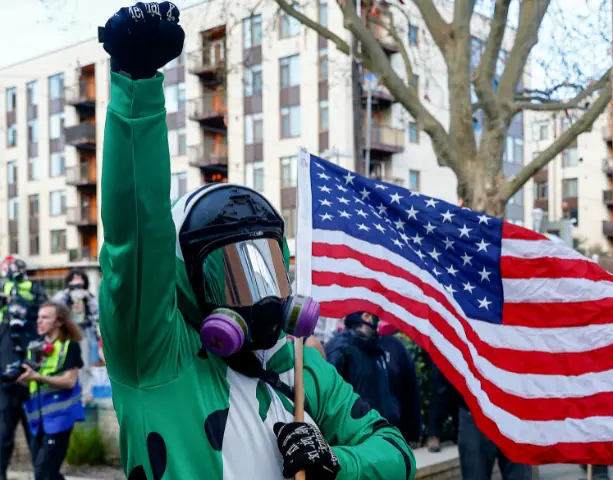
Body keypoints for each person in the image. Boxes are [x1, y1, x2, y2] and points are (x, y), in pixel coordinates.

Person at [98, 4, 415, 479]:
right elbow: (136, 239)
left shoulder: (303, 368)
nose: (261, 294)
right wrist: (136, 87)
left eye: (265, 266)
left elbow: (396, 452)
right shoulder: (155, 353)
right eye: (232, 273)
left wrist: (337, 464)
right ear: (186, 279)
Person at [17, 302, 85, 480]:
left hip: (59, 418)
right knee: (50, 473)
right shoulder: (34, 347)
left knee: (42, 472)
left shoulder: (69, 346)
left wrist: (37, 377)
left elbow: (70, 381)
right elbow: (31, 382)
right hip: (36, 420)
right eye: (38, 317)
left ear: (59, 322)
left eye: (45, 317)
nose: (39, 321)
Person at [0, 258, 45, 480]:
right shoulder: (4, 323)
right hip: (6, 385)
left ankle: (42, 474)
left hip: (33, 384)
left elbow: (47, 309)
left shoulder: (37, 322)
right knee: (3, 435)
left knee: (36, 435)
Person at [326, 312, 402, 431]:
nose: (380, 322)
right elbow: (330, 399)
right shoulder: (341, 350)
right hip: (358, 434)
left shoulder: (375, 348)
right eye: (377, 317)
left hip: (381, 429)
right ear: (366, 317)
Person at [51, 270, 98, 405]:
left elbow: (97, 310)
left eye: (80, 279)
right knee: (65, 363)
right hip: (66, 333)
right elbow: (54, 305)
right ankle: (66, 391)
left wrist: (87, 297)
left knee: (84, 364)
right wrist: (67, 294)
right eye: (73, 279)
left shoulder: (89, 296)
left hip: (83, 332)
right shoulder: (63, 295)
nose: (77, 282)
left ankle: (86, 393)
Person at [377, 323, 422, 447]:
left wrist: (413, 432)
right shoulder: (343, 348)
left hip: (394, 432)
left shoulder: (396, 347)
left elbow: (410, 393)